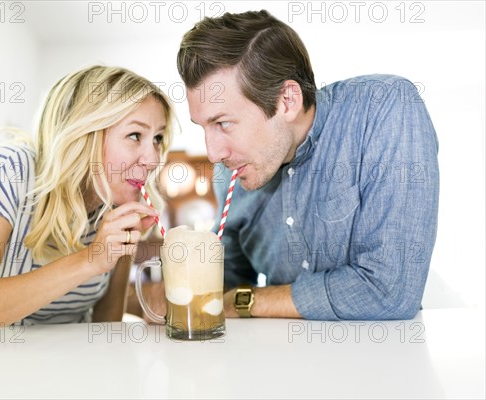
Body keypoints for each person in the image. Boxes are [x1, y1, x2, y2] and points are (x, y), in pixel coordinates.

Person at [177, 10, 439, 320]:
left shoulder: (387, 109)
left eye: (223, 123)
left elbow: (389, 292)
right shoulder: (232, 168)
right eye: (203, 127)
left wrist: (249, 302)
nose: (213, 153)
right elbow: (226, 286)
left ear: (287, 100)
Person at [0, 66, 175, 341]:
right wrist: (89, 260)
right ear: (85, 134)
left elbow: (105, 326)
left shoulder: (116, 206)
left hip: (69, 372)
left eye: (157, 138)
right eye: (135, 135)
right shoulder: (11, 171)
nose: (153, 159)